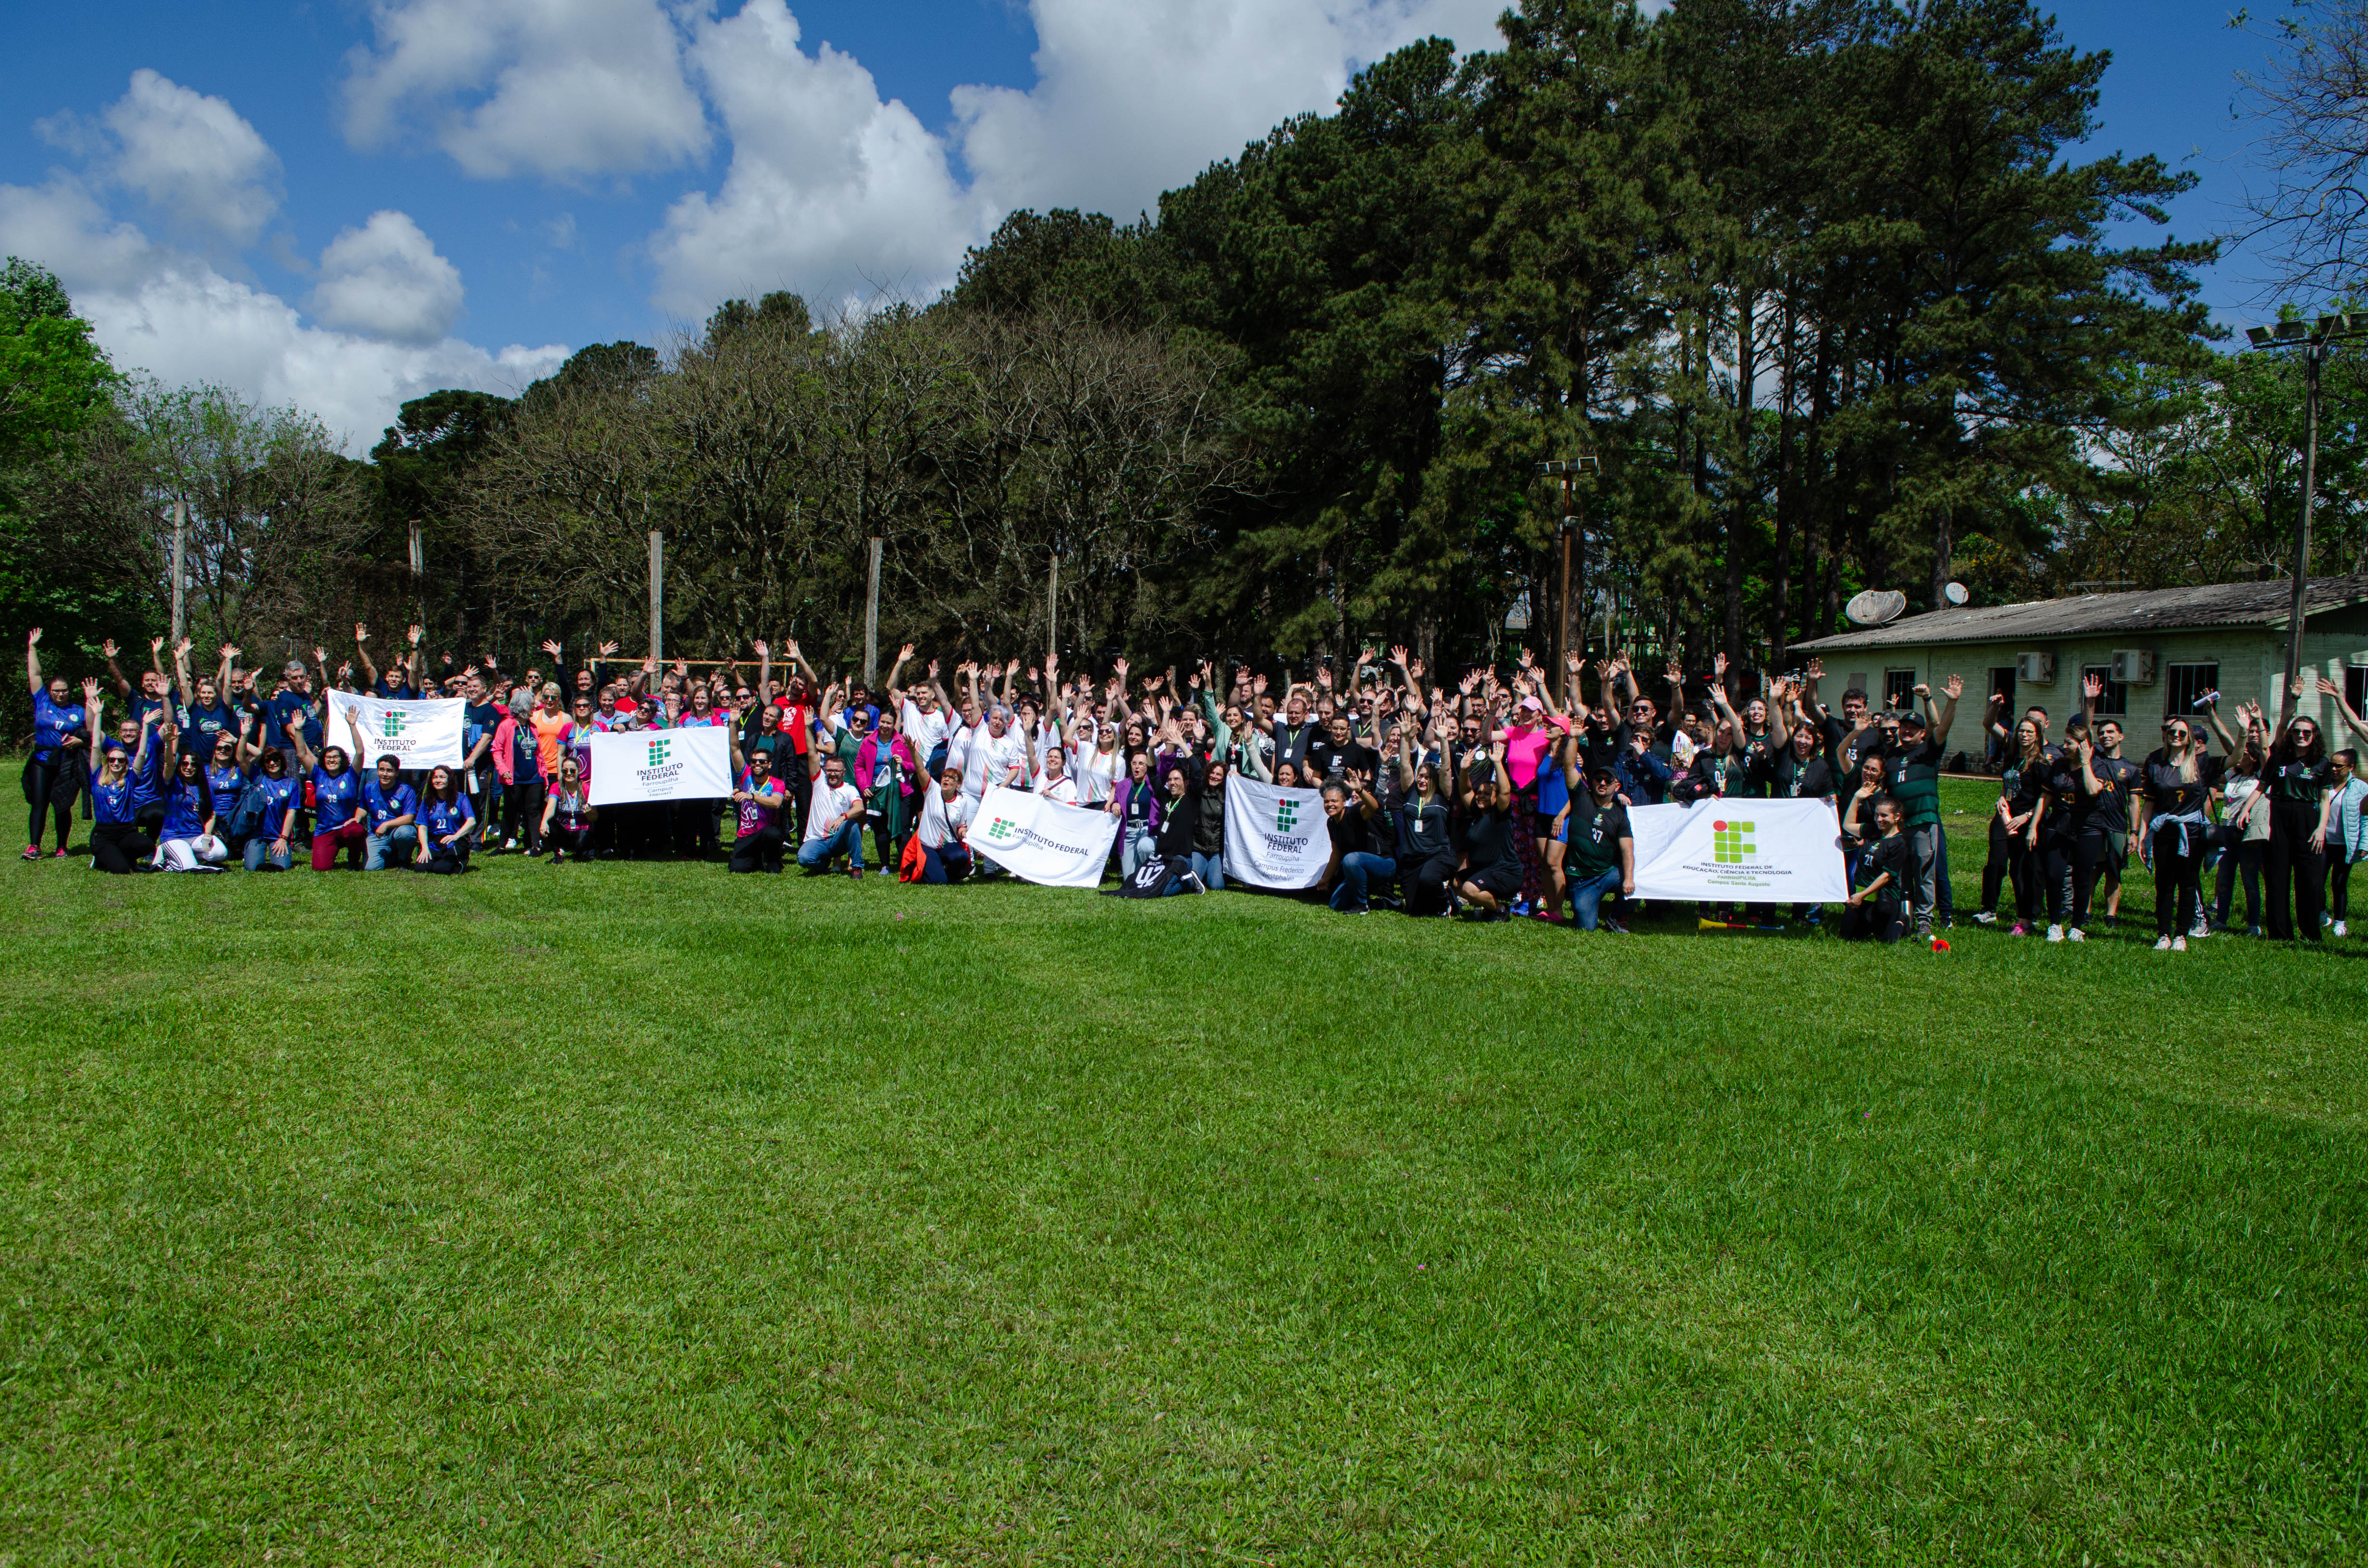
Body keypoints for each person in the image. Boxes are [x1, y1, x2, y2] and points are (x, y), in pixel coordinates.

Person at [1882, 676, 1962, 941]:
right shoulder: (1891, 756)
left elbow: (1942, 725)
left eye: (1913, 729)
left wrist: (1947, 702)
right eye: (1904, 727)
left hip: (1923, 822)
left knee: (1925, 873)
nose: (1907, 731)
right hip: (1898, 825)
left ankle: (1925, 921)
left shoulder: (1930, 751)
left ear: (1922, 733)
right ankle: (1903, 917)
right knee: (1900, 873)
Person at [2261, 684, 2335, 941]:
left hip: (2308, 818)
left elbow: (2324, 799)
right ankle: (2280, 933)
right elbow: (2262, 787)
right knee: (2277, 876)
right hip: (2280, 814)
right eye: (2297, 731)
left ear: (2315, 736)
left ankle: (2311, 932)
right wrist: (2293, 699)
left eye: (2307, 732)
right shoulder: (2279, 758)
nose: (2301, 735)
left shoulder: (2322, 763)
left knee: (2311, 880)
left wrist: (2321, 829)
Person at [2134, 713, 2214, 951]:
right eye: (2172, 732)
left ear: (2190, 738)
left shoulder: (2201, 764)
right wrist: (2142, 836)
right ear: (2166, 736)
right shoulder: (2156, 764)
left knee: (2188, 884)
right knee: (2164, 884)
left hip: (2192, 833)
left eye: (2182, 733)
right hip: (2164, 831)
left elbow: (2236, 756)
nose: (2176, 736)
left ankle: (2181, 935)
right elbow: (2149, 804)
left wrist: (2240, 730)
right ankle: (2164, 935)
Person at [80, 680, 155, 874]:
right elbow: (96, 745)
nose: (116, 763)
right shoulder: (97, 776)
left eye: (120, 760)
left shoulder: (130, 777)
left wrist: (146, 725)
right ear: (107, 761)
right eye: (112, 760)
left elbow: (142, 753)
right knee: (121, 870)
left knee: (147, 846)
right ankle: (101, 858)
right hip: (103, 834)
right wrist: (98, 715)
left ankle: (120, 855)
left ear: (125, 763)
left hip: (126, 831)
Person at [23, 629, 86, 859]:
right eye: (56, 691)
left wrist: (80, 741)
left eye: (64, 691)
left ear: (70, 691)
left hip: (66, 763)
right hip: (42, 760)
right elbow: (35, 673)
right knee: (40, 802)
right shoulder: (42, 701)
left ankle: (62, 847)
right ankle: (34, 846)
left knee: (62, 805)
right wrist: (32, 646)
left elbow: (91, 735)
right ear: (50, 692)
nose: (60, 694)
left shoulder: (78, 710)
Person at [284, 711, 365, 870]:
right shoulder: (318, 775)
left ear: (342, 759)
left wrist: (352, 725)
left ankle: (354, 859)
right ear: (323, 760)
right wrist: (299, 730)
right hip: (325, 830)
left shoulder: (351, 775)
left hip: (347, 827)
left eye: (336, 757)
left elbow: (360, 752)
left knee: (357, 831)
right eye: (328, 757)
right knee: (320, 867)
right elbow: (302, 754)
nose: (332, 760)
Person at [1558, 767, 1635, 932]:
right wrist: (1573, 747)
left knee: (1640, 879)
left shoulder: (1621, 816)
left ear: (1617, 786)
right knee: (1586, 928)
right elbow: (1569, 767)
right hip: (1582, 879)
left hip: (1608, 874)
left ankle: (1616, 918)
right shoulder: (1581, 798)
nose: (1603, 783)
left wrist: (1629, 879)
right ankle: (1588, 908)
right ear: (1593, 782)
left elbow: (1627, 851)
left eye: (1608, 781)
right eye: (1599, 779)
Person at [1837, 789, 1910, 943]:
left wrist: (1861, 896)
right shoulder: (1873, 831)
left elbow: (1886, 876)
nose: (1879, 819)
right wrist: (1856, 798)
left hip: (1884, 898)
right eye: (1877, 815)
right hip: (1863, 896)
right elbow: (1848, 825)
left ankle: (1903, 920)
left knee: (1887, 941)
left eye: (1884, 815)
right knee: (1846, 936)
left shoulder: (1899, 844)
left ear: (1897, 817)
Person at [350, 719, 421, 871]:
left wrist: (386, 825)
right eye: (382, 770)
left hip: (397, 831)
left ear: (397, 773)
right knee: (371, 868)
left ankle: (404, 860)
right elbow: (363, 807)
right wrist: (357, 818)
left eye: (389, 771)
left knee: (407, 833)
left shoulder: (406, 790)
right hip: (376, 834)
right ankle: (392, 855)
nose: (385, 774)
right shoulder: (370, 787)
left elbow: (409, 818)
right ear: (377, 771)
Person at [1314, 773, 1391, 912]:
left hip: (1384, 864)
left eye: (1334, 801)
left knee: (1350, 859)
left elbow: (1373, 807)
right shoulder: (1331, 823)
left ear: (1344, 801)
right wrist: (1326, 879)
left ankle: (1362, 905)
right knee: (1336, 904)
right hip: (1359, 869)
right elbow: (1336, 854)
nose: (1330, 805)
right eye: (1326, 802)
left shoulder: (1355, 812)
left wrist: (1360, 790)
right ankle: (1384, 903)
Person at [150, 741, 228, 870]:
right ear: (180, 766)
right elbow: (169, 765)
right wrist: (169, 745)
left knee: (220, 853)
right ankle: (166, 860)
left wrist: (207, 834)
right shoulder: (172, 783)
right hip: (175, 837)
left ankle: (190, 855)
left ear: (198, 768)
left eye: (193, 764)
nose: (189, 767)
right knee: (189, 867)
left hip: (197, 836)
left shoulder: (205, 787)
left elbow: (212, 814)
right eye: (185, 764)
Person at [492, 694, 547, 855]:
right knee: (510, 811)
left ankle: (535, 846)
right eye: (531, 704)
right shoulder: (506, 725)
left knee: (534, 811)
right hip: (513, 777)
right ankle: (502, 846)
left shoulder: (533, 727)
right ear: (522, 706)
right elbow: (496, 750)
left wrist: (543, 773)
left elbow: (538, 753)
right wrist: (503, 769)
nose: (534, 707)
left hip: (534, 776)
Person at [725, 735, 787, 873]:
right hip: (747, 834)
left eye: (762, 761)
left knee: (773, 834)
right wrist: (733, 724)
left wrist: (752, 796)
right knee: (738, 868)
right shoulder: (745, 775)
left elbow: (776, 803)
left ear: (769, 764)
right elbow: (735, 749)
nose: (757, 764)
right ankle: (757, 859)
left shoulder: (777, 783)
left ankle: (774, 860)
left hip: (767, 832)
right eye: (754, 761)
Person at [797, 754, 866, 876]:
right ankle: (823, 864)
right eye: (829, 770)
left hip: (838, 840)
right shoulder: (819, 783)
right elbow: (812, 754)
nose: (833, 774)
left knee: (853, 825)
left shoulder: (849, 789)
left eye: (837, 771)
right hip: (818, 839)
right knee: (804, 858)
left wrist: (843, 817)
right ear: (825, 770)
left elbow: (860, 807)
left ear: (844, 772)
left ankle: (857, 867)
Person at [914, 764, 975, 883]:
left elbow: (961, 826)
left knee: (962, 857)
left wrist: (963, 833)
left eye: (952, 778)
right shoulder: (932, 790)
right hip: (928, 845)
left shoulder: (962, 801)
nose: (946, 779)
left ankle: (941, 868)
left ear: (958, 785)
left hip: (948, 844)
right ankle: (932, 869)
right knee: (939, 881)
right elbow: (920, 769)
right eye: (944, 776)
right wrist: (913, 753)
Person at [2328, 748, 2365, 937]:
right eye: (2331, 765)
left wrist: (2365, 845)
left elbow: (2366, 818)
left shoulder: (2360, 788)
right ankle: (2321, 915)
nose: (2333, 769)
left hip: (2346, 845)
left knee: (2339, 883)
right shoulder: (2323, 783)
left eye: (2338, 766)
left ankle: (2340, 923)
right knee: (2315, 881)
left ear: (2350, 768)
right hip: (2322, 842)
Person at [414, 765, 479, 873]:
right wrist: (424, 848)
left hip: (453, 841)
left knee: (441, 869)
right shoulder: (428, 801)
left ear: (450, 780)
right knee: (421, 868)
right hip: (434, 842)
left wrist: (456, 836)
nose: (438, 780)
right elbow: (423, 826)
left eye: (442, 777)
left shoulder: (461, 798)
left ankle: (458, 859)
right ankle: (436, 857)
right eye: (435, 777)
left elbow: (472, 821)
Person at [1109, 751, 1161, 879]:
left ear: (1148, 766)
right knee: (1129, 879)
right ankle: (1140, 875)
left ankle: (1151, 876)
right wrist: (1115, 804)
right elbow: (1115, 801)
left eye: (1141, 764)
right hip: (1129, 832)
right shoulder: (1122, 785)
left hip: (1147, 830)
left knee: (1145, 847)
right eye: (1134, 763)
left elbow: (1166, 766)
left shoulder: (1153, 784)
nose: (1137, 767)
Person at [540, 754, 596, 862]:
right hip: (564, 830)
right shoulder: (556, 787)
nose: (569, 773)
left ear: (579, 771)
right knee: (551, 821)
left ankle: (581, 850)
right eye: (565, 771)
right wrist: (544, 821)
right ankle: (558, 853)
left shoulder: (587, 789)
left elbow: (594, 818)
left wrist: (588, 813)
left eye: (573, 771)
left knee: (582, 840)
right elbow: (551, 808)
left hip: (581, 830)